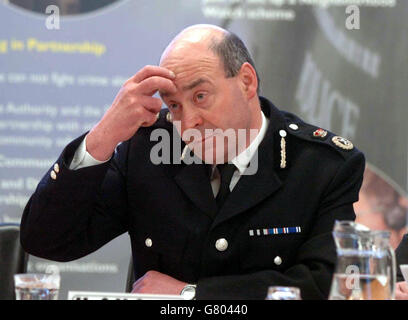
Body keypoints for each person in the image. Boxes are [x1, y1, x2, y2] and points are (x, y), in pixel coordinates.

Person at [20, 24, 365, 300]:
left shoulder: (323, 164)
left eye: (201, 96)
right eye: (174, 105)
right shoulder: (149, 150)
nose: (189, 122)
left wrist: (193, 295)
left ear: (246, 81)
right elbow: (47, 240)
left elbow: (326, 286)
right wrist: (102, 137)